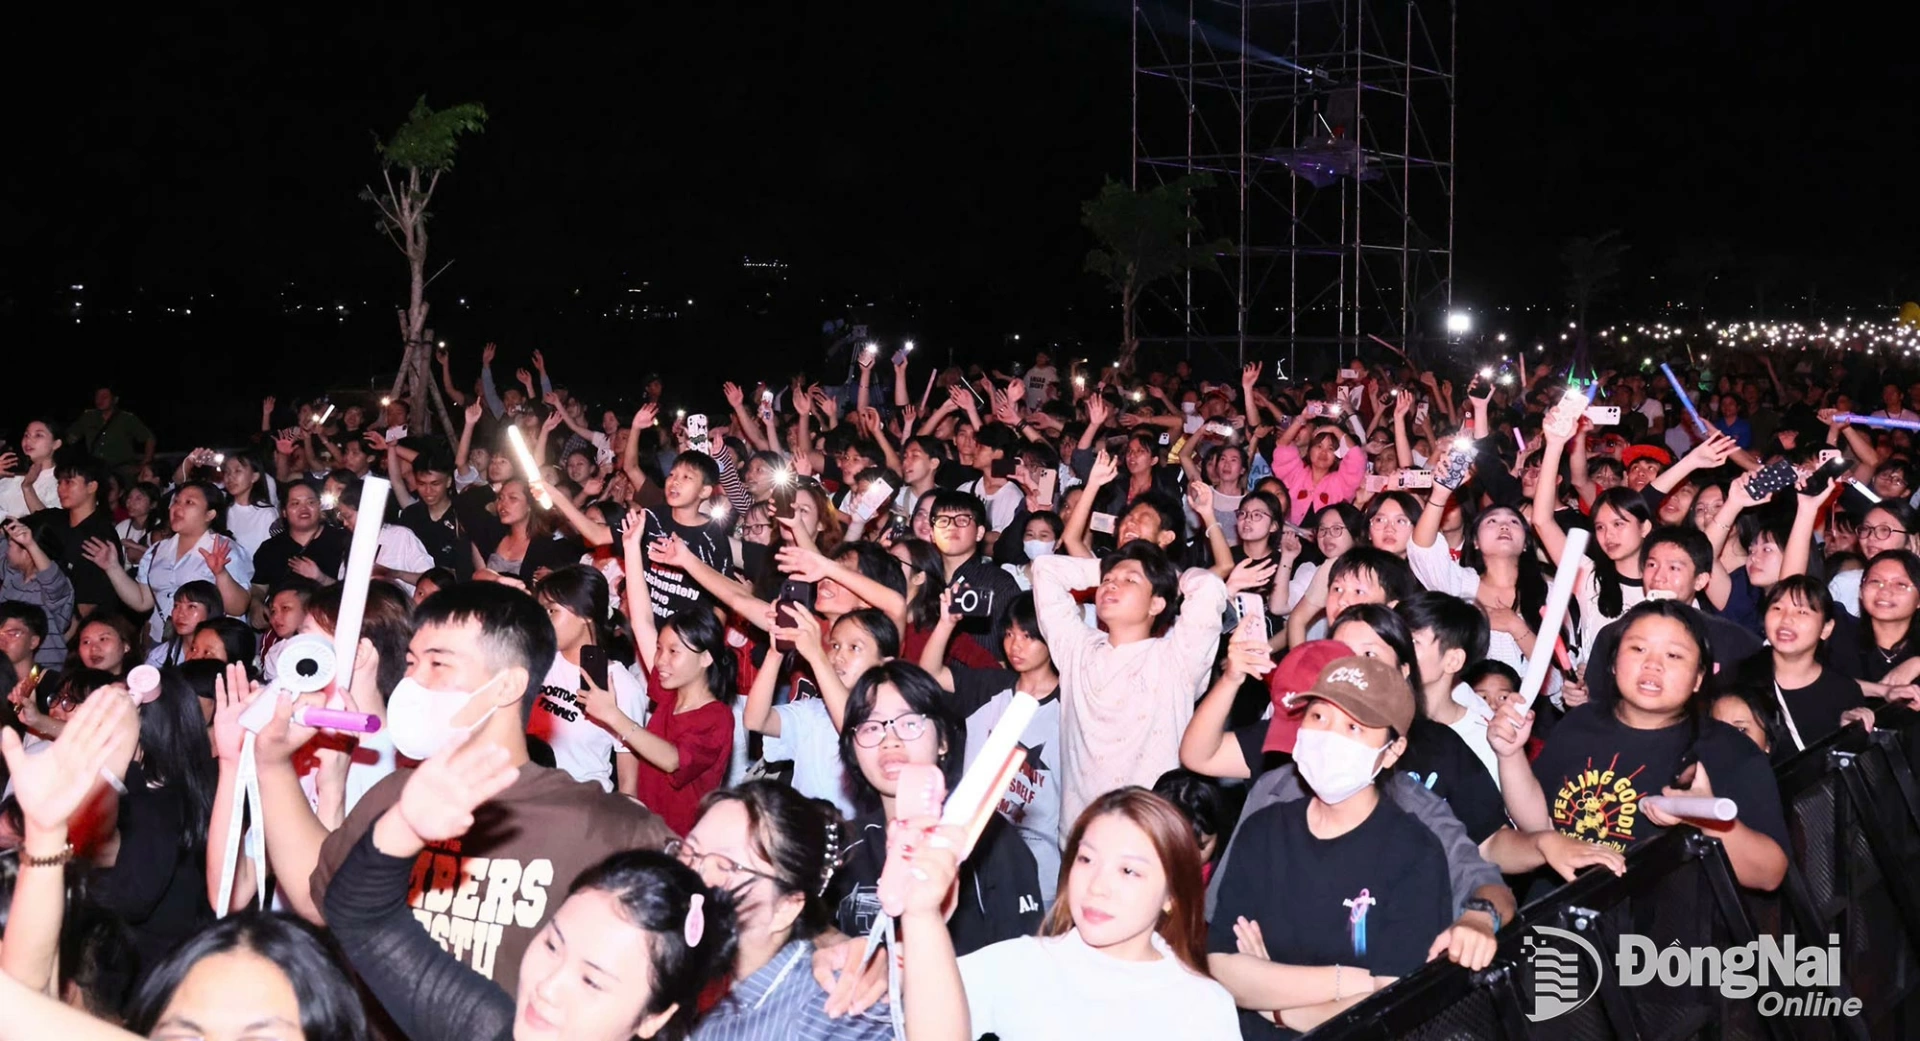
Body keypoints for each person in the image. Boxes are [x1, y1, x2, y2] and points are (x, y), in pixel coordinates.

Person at [307, 582, 674, 998]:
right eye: (411, 663)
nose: (413, 681)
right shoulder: (396, 795)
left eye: (438, 664)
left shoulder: (602, 826)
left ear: (506, 686)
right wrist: (271, 768)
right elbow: (319, 895)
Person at [323, 734, 736, 1041]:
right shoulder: (492, 1030)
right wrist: (407, 825)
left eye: (592, 980)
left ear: (654, 1018)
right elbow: (363, 917)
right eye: (552, 945)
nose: (547, 986)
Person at [1206, 655, 1454, 1036]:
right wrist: (1347, 982)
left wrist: (1275, 1004)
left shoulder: (1414, 854)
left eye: (1354, 727)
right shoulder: (1264, 829)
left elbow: (1391, 1000)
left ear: (1392, 751)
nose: (1329, 737)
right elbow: (1223, 967)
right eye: (1319, 717)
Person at [898, 787, 1241, 1041]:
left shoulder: (1202, 1007)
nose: (1097, 886)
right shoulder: (1024, 963)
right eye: (1086, 859)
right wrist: (921, 916)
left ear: (1172, 895)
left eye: (1128, 871)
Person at [1494, 600, 1790, 891]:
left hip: (1656, 932)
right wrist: (1510, 755)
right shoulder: (1579, 723)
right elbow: (1536, 826)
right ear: (1613, 663)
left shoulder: (1730, 750)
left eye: (1674, 655)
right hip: (1560, 917)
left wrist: (1707, 819)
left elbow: (1769, 874)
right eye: (1638, 649)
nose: (1652, 664)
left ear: (1699, 678)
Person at [829, 660, 1042, 955]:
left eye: (909, 723)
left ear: (943, 740)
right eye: (870, 726)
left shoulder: (988, 841)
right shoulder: (845, 846)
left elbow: (1020, 968)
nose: (890, 740)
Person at [1031, 541, 1228, 835]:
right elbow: (1045, 569)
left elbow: (1209, 587)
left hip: (1148, 839)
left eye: (1129, 581)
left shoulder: (1176, 658)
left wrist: (1169, 575)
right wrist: (1110, 566)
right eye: (1107, 581)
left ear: (1156, 604)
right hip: (1079, 837)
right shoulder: (1077, 649)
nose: (1111, 585)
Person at [673, 780, 895, 1039]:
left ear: (786, 908)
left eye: (726, 867)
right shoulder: (675, 972)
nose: (693, 877)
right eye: (689, 852)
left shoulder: (831, 1015)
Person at [919, 590, 1064, 904]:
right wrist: (946, 623)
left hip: (1041, 863)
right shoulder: (990, 686)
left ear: (1052, 639)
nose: (1015, 645)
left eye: (1028, 636)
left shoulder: (1072, 705)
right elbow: (929, 675)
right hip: (974, 851)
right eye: (1010, 634)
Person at [87, 479, 254, 646]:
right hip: (163, 642)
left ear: (210, 514)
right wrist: (112, 567)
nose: (177, 508)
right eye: (176, 501)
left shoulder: (223, 549)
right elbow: (142, 601)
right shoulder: (157, 551)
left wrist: (221, 573)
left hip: (209, 643)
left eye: (189, 502)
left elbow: (238, 607)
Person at [1731, 576, 1877, 760]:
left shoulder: (1844, 692)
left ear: (1826, 629)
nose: (1786, 619)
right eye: (1777, 608)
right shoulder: (1737, 678)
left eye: (1801, 612)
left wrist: (1846, 734)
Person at [533, 565, 649, 792]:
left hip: (582, 808)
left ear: (585, 615)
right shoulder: (537, 661)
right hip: (528, 798)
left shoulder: (622, 687)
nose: (542, 622)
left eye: (551, 611)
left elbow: (628, 784)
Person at [1, 515, 75, 669]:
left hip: (43, 672)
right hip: (8, 668)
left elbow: (52, 581)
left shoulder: (56, 584)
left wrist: (30, 544)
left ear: (27, 552)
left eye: (10, 546)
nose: (6, 551)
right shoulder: (13, 575)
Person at [0, 420, 63, 521]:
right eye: (26, 435)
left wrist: (28, 488)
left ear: (56, 444)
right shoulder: (11, 469)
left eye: (38, 435)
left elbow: (49, 526)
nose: (28, 440)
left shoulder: (60, 482)